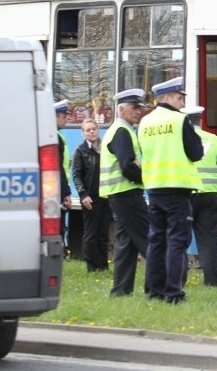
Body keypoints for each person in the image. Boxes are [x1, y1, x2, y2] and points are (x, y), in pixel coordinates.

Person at [138, 77, 203, 304]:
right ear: (165, 98)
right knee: (177, 241)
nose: (182, 103)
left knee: (156, 240)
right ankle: (173, 293)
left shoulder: (144, 122)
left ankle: (153, 291)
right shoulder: (179, 120)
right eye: (179, 98)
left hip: (154, 188)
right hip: (177, 188)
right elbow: (196, 153)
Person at [99, 88, 149, 297]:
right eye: (134, 107)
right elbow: (128, 166)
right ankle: (160, 287)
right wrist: (147, 179)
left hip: (120, 194)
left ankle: (120, 290)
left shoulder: (121, 130)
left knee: (126, 244)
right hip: (127, 194)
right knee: (150, 238)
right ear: (121, 109)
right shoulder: (122, 131)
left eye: (140, 107)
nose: (139, 111)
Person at [181, 105, 217, 287]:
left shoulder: (181, 141)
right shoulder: (213, 139)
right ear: (200, 120)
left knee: (180, 240)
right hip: (209, 195)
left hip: (187, 195)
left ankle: (178, 281)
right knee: (208, 240)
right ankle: (212, 283)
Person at [71, 118, 112, 272]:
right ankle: (92, 266)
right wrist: (83, 195)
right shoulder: (80, 151)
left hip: (105, 195)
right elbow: (76, 175)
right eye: (88, 130)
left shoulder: (106, 148)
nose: (92, 132)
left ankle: (103, 265)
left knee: (103, 232)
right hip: (89, 197)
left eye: (94, 129)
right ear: (83, 133)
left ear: (98, 130)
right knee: (91, 233)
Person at [53, 100, 73, 211]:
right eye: (64, 117)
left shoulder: (54, 135)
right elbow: (59, 168)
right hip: (58, 190)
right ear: (55, 117)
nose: (66, 120)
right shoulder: (56, 138)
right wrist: (66, 193)